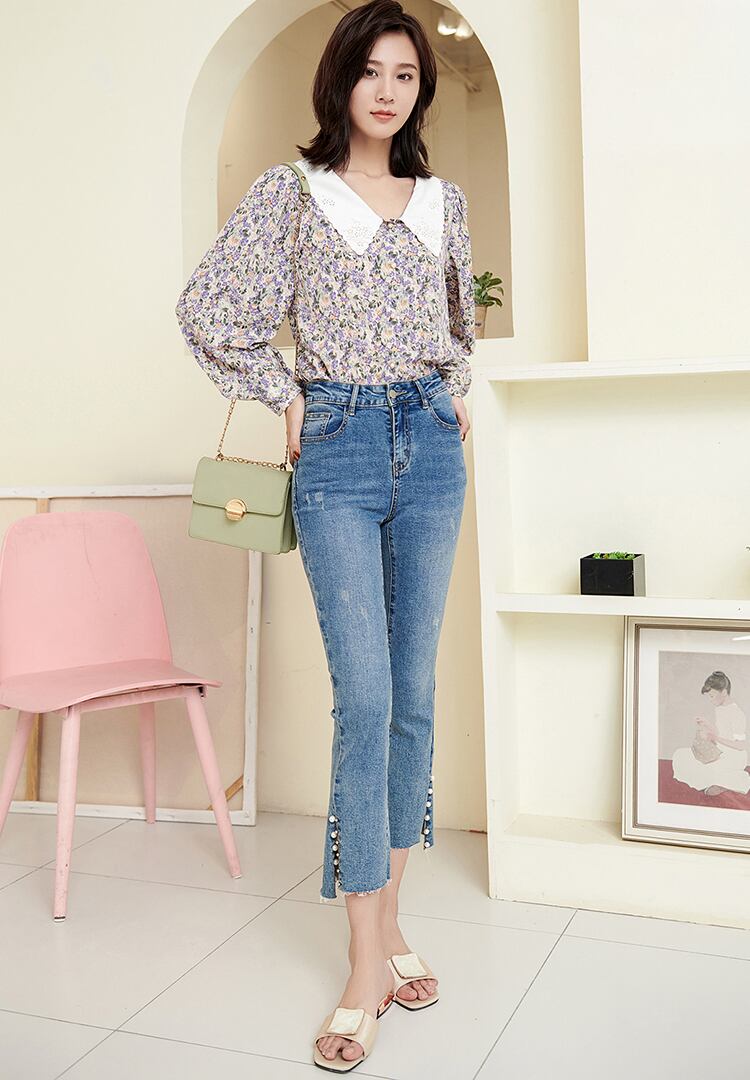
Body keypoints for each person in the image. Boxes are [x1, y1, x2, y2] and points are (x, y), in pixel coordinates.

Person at [175, 0, 475, 1069]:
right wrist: (286, 392)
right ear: (340, 79)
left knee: (414, 697)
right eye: (372, 70)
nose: (388, 90)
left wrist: (453, 388)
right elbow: (209, 311)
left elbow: (457, 326)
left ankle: (390, 927)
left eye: (407, 74)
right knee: (366, 699)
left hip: (431, 448)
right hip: (340, 447)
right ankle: (362, 959)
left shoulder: (443, 202)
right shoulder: (291, 194)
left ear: (418, 91)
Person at [672, 670, 750, 796]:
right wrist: (707, 724)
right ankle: (719, 782)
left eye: (712, 696)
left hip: (734, 756)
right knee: (680, 755)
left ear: (724, 692)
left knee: (707, 770)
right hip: (719, 752)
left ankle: (738, 780)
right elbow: (721, 733)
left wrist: (715, 738)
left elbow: (741, 745)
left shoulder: (737, 714)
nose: (710, 700)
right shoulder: (719, 709)